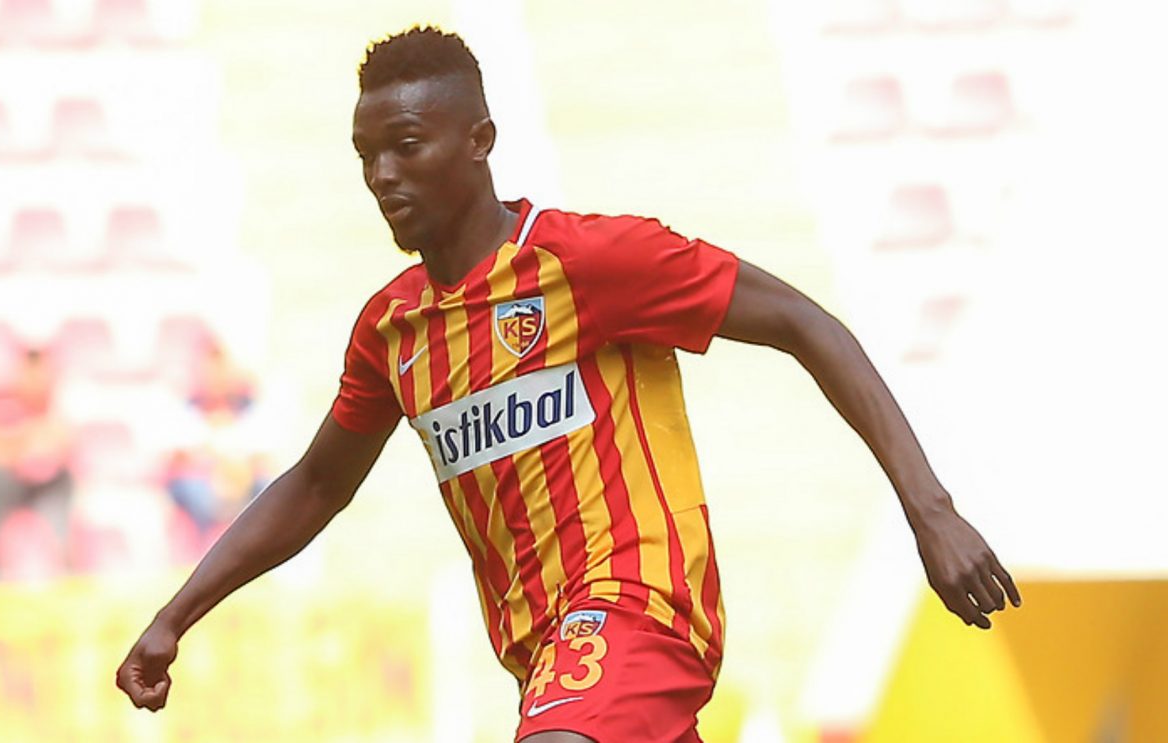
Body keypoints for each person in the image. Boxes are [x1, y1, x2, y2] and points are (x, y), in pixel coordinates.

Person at [116, 27, 1022, 742]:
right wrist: (175, 616)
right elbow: (317, 484)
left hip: (638, 612)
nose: (382, 175)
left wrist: (931, 510)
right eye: (366, 155)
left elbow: (802, 320)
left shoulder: (588, 261)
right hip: (541, 657)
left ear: (480, 141)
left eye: (405, 146)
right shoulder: (393, 329)